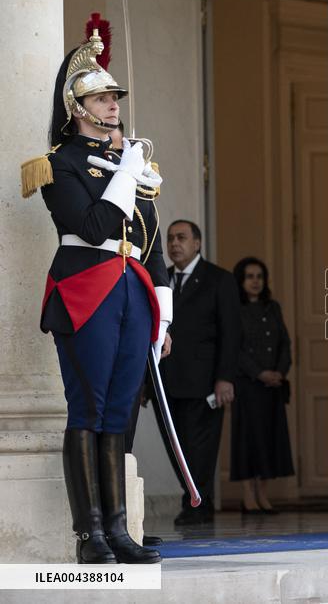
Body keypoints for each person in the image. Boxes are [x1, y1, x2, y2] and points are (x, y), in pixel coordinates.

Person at [20, 29, 167, 563]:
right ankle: (91, 535)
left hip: (132, 293)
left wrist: (163, 317)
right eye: (103, 98)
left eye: (114, 98)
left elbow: (148, 243)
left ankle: (120, 531)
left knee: (120, 413)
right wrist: (125, 173)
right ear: (79, 109)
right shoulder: (59, 163)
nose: (114, 105)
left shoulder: (129, 166)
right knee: (89, 409)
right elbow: (95, 222)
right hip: (86, 291)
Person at [157, 220, 241, 525]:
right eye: (170, 239)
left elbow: (231, 334)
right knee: (175, 446)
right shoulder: (162, 279)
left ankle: (197, 505)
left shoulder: (219, 280)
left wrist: (225, 377)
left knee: (199, 447)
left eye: (181, 238)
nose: (174, 244)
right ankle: (193, 500)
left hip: (204, 382)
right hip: (166, 382)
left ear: (197, 243)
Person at [230, 256, 294, 514]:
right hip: (248, 386)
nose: (255, 281)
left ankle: (263, 495)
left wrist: (279, 371)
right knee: (248, 440)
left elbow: (285, 343)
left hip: (272, 387)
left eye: (259, 276)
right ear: (241, 280)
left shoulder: (273, 307)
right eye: (249, 276)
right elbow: (235, 348)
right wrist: (259, 373)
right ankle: (248, 495)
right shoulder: (234, 308)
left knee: (270, 439)